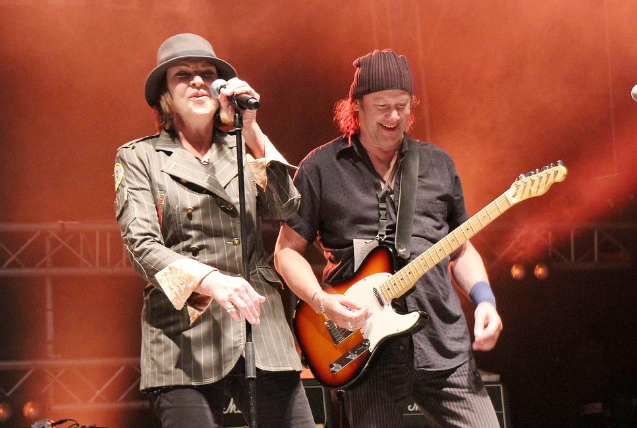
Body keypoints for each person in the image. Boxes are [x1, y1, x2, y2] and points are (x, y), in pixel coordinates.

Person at [274, 49, 503, 428]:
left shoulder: (438, 164)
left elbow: (461, 249)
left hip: (442, 344)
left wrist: (485, 301)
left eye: (402, 105)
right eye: (382, 106)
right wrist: (321, 301)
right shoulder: (321, 167)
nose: (394, 117)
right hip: (364, 350)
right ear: (356, 106)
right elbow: (286, 252)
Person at [113, 33, 315, 428]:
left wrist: (252, 130)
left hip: (259, 324)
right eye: (183, 75)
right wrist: (212, 281)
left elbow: (285, 207)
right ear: (165, 95)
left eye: (207, 74)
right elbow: (141, 245)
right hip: (183, 332)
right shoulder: (140, 156)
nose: (198, 81)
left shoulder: (240, 147)